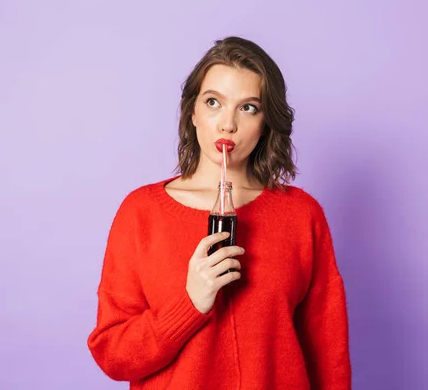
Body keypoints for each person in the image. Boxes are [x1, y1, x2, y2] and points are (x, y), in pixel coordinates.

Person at [87, 36, 351, 389]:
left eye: (248, 108)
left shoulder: (302, 215)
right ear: (192, 112)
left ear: (266, 122)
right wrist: (190, 304)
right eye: (213, 102)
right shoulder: (141, 213)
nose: (228, 124)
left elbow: (328, 355)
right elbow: (113, 356)